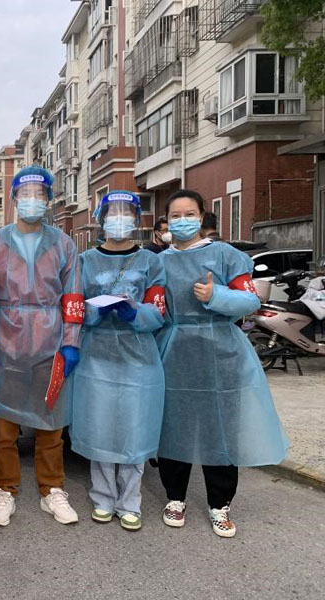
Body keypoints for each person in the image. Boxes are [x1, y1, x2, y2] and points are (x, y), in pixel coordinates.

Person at [157, 188, 288, 538]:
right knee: (173, 425)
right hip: (174, 352)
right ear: (166, 221)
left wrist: (216, 295)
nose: (182, 221)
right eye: (175, 216)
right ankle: (175, 498)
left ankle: (220, 504)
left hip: (221, 352)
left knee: (222, 428)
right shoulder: (159, 262)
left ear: (202, 217)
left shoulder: (226, 255)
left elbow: (249, 301)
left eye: (189, 214)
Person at [0, 166, 83, 528]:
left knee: (50, 422)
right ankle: (4, 489)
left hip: (50, 338)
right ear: (13, 198)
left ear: (49, 200)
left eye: (39, 194)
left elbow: (73, 295)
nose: (32, 200)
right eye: (24, 194)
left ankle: (52, 489)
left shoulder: (63, 244)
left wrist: (71, 343)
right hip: (6, 338)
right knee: (4, 425)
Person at [68, 191, 166, 532]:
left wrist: (135, 312)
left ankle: (130, 501)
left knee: (135, 426)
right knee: (100, 425)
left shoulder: (152, 261)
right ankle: (103, 497)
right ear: (101, 219)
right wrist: (97, 310)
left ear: (137, 219)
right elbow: (74, 305)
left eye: (127, 213)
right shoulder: (84, 260)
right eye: (112, 213)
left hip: (139, 357)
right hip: (96, 356)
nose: (119, 219)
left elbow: (159, 310)